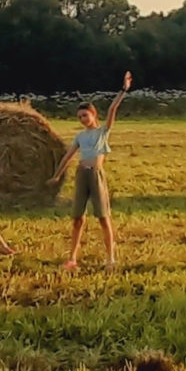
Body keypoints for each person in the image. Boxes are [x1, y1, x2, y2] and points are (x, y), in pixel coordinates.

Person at [55, 71, 132, 272]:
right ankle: (72, 258)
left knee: (103, 217)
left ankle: (111, 258)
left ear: (93, 114)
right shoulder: (80, 136)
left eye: (85, 115)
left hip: (96, 174)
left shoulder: (103, 132)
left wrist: (124, 89)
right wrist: (56, 175)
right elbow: (68, 156)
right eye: (79, 116)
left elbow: (113, 107)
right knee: (77, 219)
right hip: (82, 175)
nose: (82, 119)